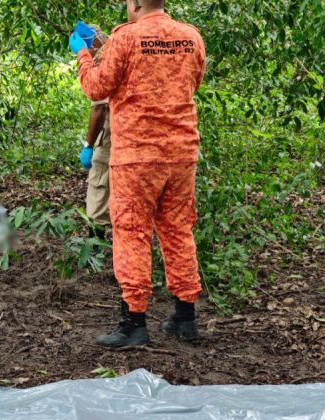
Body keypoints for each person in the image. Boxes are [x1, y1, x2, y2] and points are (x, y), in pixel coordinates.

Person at [69, 0, 206, 347]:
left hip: (137, 157)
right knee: (178, 231)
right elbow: (193, 82)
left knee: (132, 232)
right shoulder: (191, 37)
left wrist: (83, 54)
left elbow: (96, 88)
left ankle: (134, 323)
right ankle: (185, 319)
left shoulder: (126, 38)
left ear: (137, 3)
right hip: (180, 154)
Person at [79, 26, 112, 236]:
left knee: (99, 183)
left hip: (111, 134)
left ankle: (94, 247)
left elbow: (99, 107)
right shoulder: (118, 51)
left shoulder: (103, 60)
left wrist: (88, 145)